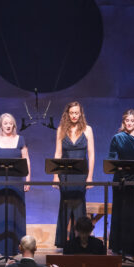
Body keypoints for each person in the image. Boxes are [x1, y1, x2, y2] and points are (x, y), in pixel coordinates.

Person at [0, 113, 30, 255]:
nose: (8, 126)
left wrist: (28, 180)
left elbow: (26, 160)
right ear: (1, 125)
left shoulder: (20, 139)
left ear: (14, 125)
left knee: (15, 214)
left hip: (16, 182)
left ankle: (16, 247)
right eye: (5, 123)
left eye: (10, 123)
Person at [108, 109, 134, 257]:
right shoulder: (117, 138)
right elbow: (111, 158)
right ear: (123, 121)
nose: (130, 123)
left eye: (132, 121)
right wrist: (118, 167)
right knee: (120, 211)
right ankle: (119, 247)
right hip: (120, 179)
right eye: (127, 120)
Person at [53, 102, 95, 249]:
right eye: (72, 113)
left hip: (81, 175)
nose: (74, 116)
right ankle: (64, 242)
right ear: (68, 114)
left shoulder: (87, 129)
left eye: (77, 113)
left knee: (79, 207)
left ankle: (80, 241)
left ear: (81, 113)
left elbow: (91, 154)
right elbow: (58, 153)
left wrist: (90, 177)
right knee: (65, 207)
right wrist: (55, 176)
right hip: (65, 175)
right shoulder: (61, 129)